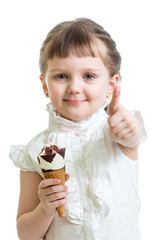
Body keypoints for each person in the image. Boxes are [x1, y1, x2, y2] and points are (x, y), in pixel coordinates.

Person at [10, 18, 146, 240]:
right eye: (61, 76)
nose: (74, 87)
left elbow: (133, 137)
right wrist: (45, 208)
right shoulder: (35, 151)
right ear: (45, 85)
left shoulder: (117, 132)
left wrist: (131, 128)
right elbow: (26, 235)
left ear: (111, 85)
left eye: (89, 76)